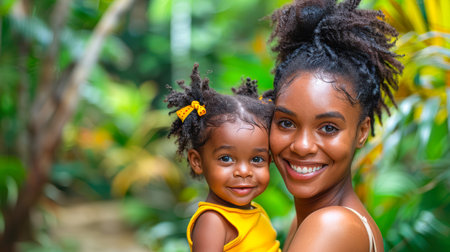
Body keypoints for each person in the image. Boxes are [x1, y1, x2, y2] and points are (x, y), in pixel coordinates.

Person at [266, 0, 403, 251]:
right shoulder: (306, 219)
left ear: (362, 132)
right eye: (286, 123)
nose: (302, 146)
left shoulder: (332, 225)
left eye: (328, 128)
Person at [166, 64, 281, 251]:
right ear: (197, 161)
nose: (244, 172)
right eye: (226, 158)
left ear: (269, 161)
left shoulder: (256, 211)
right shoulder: (213, 221)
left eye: (257, 159)